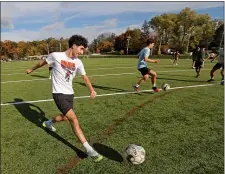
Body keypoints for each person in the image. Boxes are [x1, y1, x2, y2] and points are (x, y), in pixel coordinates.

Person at [26, 35, 103, 162]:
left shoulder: (78, 62)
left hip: (70, 94)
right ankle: (90, 150)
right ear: (74, 46)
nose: (82, 52)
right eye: (81, 48)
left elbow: (85, 77)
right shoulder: (56, 56)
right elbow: (42, 63)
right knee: (74, 119)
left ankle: (48, 122)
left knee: (66, 117)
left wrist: (91, 90)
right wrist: (31, 69)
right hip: (58, 94)